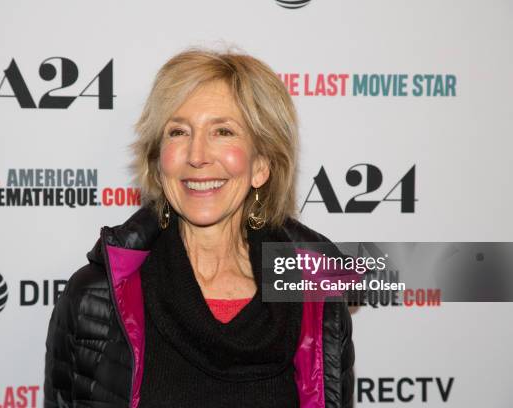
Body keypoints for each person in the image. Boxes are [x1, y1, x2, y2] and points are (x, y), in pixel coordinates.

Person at [44, 48, 354, 408]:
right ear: (159, 162)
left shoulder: (317, 298)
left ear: (261, 165)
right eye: (178, 132)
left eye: (223, 131)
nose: (197, 155)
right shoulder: (95, 297)